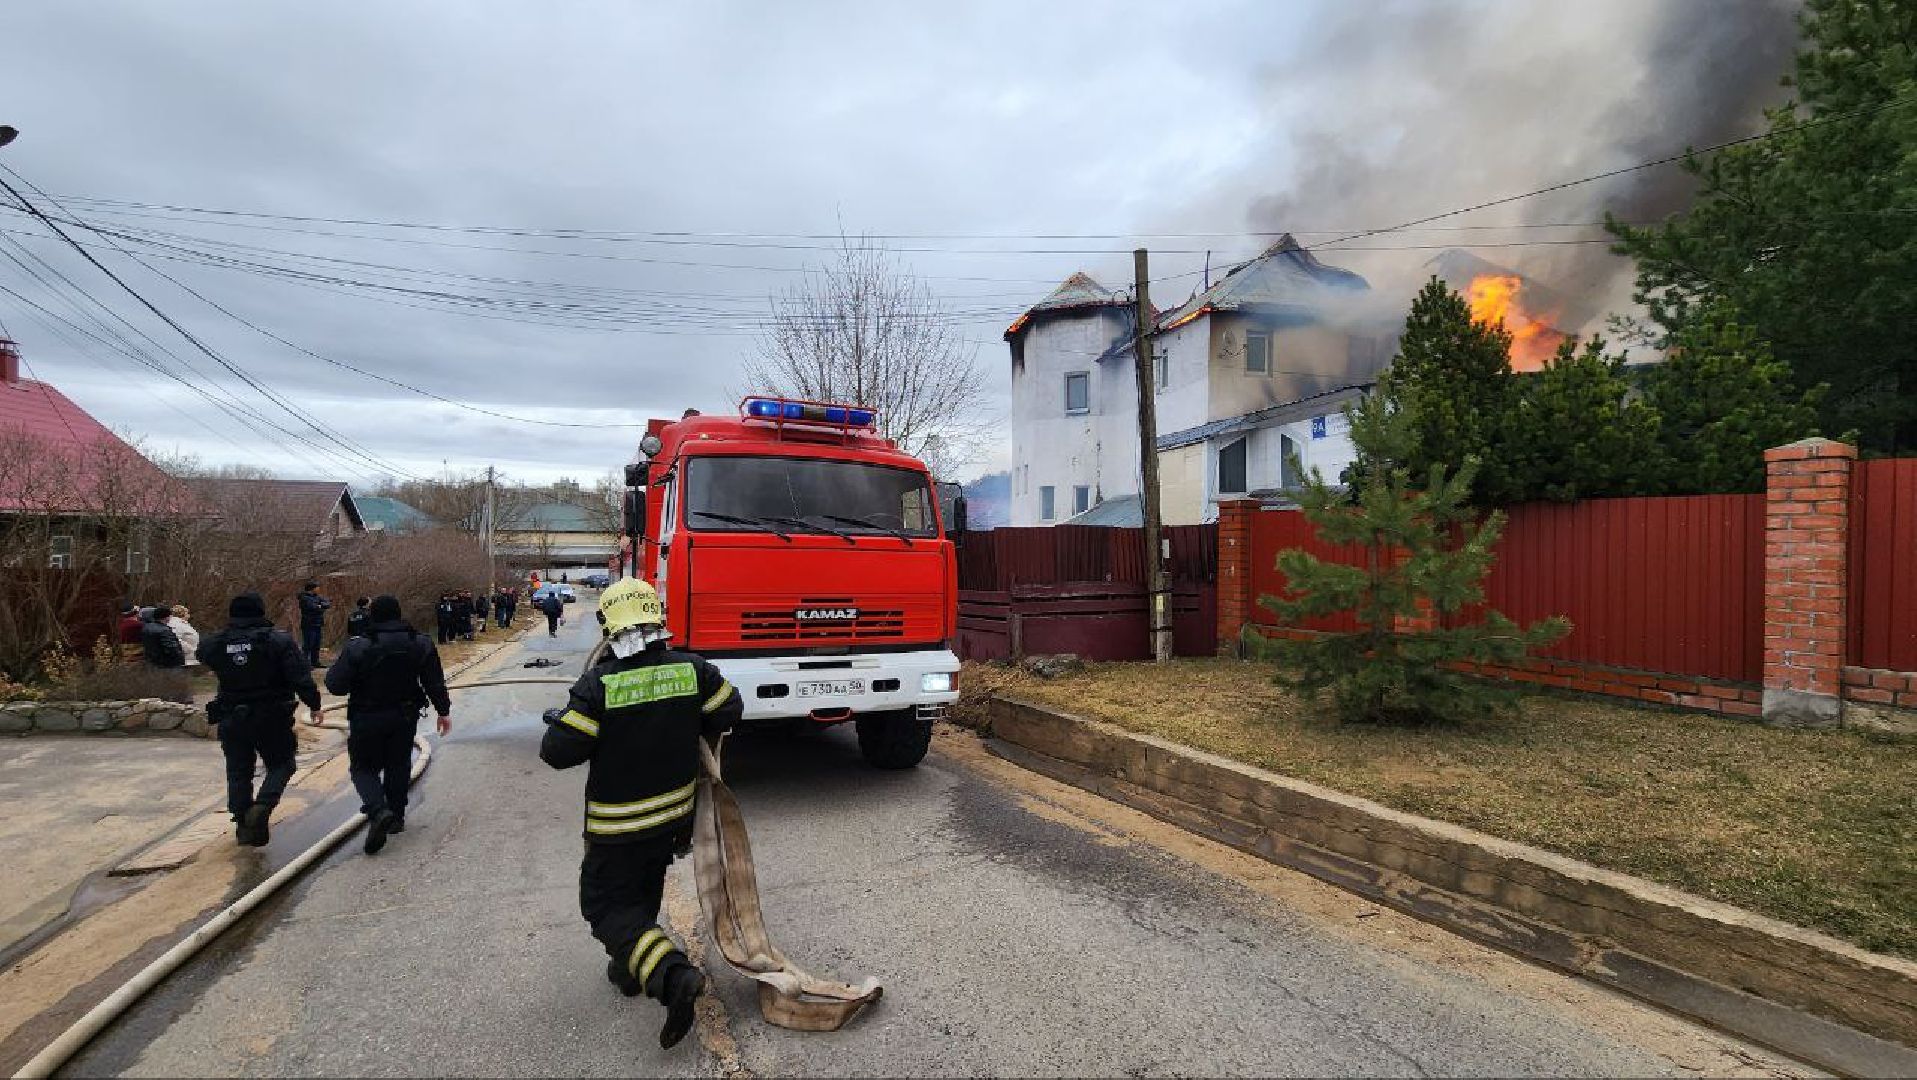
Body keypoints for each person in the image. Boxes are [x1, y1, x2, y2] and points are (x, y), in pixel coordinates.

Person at [540, 578, 740, 1049]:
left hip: (619, 826)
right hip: (674, 820)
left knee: (606, 906)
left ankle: (672, 977)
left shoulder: (598, 684)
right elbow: (729, 711)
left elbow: (557, 752)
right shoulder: (694, 670)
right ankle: (630, 969)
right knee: (642, 893)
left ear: (610, 626)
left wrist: (568, 720)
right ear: (657, 619)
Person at [324, 595, 452, 855]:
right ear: (398, 613)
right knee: (399, 763)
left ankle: (377, 810)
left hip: (366, 716)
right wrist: (443, 711)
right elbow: (434, 681)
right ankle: (395, 817)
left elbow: (335, 686)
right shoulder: (420, 642)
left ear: (373, 615)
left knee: (363, 768)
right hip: (404, 715)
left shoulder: (358, 646)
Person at [198, 593, 321, 846]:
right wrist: (315, 704)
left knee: (238, 770)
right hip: (272, 714)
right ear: (261, 611)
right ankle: (263, 805)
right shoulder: (277, 640)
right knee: (282, 764)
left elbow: (203, 656)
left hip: (231, 714)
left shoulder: (214, 643)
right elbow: (300, 677)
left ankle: (243, 823)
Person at [297, 581, 331, 668]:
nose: (318, 589)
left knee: (316, 644)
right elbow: (312, 607)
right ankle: (305, 663)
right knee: (308, 644)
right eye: (317, 587)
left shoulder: (317, 597)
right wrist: (319, 606)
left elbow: (327, 603)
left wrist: (320, 606)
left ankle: (315, 662)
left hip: (318, 623)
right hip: (309, 624)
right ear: (312, 588)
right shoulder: (304, 598)